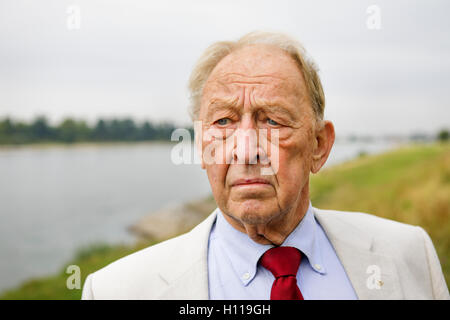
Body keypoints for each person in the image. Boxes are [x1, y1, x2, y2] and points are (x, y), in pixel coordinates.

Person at [81, 31, 449, 300]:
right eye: (222, 122)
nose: (245, 149)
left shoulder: (408, 252)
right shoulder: (118, 290)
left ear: (319, 146)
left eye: (272, 121)